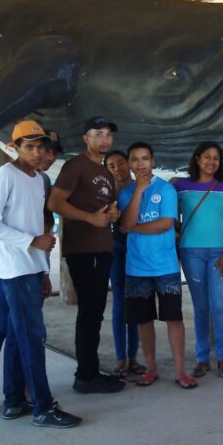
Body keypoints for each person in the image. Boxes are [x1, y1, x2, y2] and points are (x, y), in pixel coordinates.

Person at [0, 120, 81, 428]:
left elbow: (37, 226)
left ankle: (14, 401)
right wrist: (31, 242)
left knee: (18, 335)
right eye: (29, 147)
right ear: (15, 148)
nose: (36, 153)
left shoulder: (39, 179)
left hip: (31, 268)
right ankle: (43, 407)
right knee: (32, 338)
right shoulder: (4, 176)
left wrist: (43, 268)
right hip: (14, 270)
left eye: (41, 147)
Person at [48, 117, 126, 394]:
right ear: (86, 138)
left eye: (108, 135)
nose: (104, 140)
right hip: (84, 249)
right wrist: (90, 219)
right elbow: (55, 201)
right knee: (90, 313)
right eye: (98, 134)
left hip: (102, 248)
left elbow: (103, 210)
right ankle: (85, 376)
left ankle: (90, 372)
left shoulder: (104, 171)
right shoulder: (75, 166)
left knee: (95, 312)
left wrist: (111, 215)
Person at [118, 142, 194, 389]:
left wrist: (133, 228)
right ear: (129, 163)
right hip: (136, 268)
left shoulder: (167, 190)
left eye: (145, 159)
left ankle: (181, 372)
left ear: (153, 161)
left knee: (174, 319)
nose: (140, 164)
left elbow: (165, 224)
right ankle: (150, 369)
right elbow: (125, 220)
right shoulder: (126, 193)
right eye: (135, 159)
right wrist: (139, 191)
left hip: (166, 266)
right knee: (143, 320)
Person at [175, 142, 223, 378]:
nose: (212, 162)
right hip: (190, 252)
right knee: (201, 307)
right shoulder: (180, 186)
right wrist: (179, 231)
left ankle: (222, 357)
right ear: (198, 159)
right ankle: (202, 358)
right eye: (207, 157)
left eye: (216, 158)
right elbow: (168, 214)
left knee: (220, 306)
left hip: (219, 254)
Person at [104, 150, 144, 377]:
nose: (117, 168)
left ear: (128, 164)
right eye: (111, 166)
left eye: (120, 163)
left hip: (138, 249)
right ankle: (121, 358)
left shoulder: (140, 188)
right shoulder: (106, 193)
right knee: (120, 301)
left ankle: (134, 357)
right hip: (116, 250)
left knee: (136, 302)